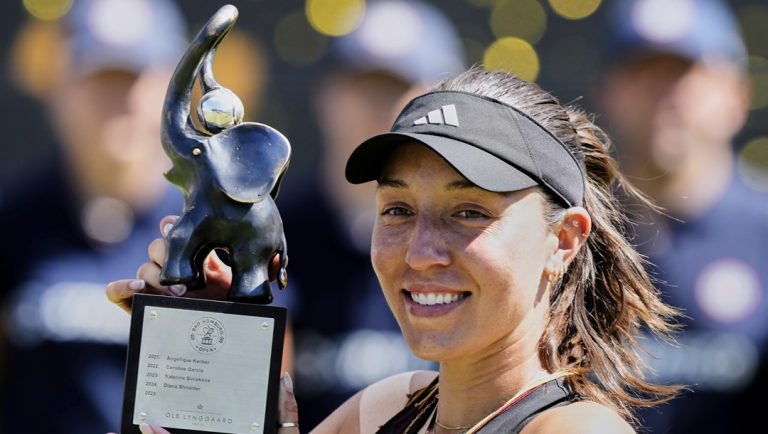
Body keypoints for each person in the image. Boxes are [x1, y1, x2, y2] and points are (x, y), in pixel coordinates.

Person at [107, 67, 682, 434]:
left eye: (469, 212)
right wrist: (205, 347)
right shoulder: (386, 409)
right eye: (398, 210)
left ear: (564, 240)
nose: (422, 251)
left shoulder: (576, 431)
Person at [0, 0, 288, 432]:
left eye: (135, 79)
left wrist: (223, 322)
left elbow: (265, 403)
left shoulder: (226, 228)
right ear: (59, 87)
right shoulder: (13, 224)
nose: (120, 100)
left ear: (167, 92)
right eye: (101, 78)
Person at [278, 0, 464, 428]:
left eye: (397, 89)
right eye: (363, 86)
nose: (378, 107)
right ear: (325, 96)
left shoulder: (475, 244)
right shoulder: (275, 234)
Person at [597, 0, 768, 431]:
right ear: (610, 92)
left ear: (737, 95)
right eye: (644, 73)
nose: (663, 95)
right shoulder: (571, 235)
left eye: (682, 75)